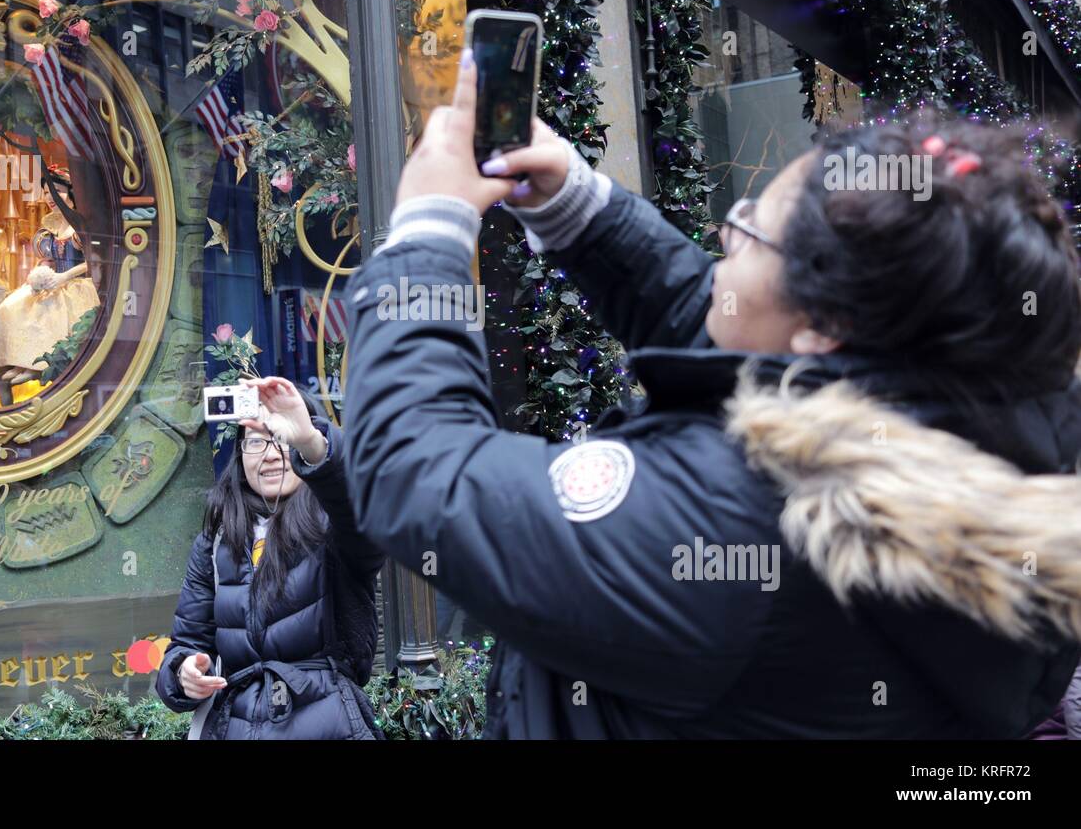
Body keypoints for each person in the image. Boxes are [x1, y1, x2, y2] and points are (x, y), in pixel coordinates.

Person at [339, 48, 1081, 738]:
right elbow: (742, 336)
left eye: (753, 228)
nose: (728, 235)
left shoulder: (740, 532)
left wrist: (426, 234)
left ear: (827, 322)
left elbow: (419, 471)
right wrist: (579, 210)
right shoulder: (989, 429)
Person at [155, 377, 386, 739]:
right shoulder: (216, 539)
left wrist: (310, 440)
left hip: (327, 723)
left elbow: (361, 507)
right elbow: (187, 641)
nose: (270, 455)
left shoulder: (336, 522)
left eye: (280, 439)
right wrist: (183, 671)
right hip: (236, 725)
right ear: (240, 456)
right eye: (256, 443)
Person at [0, 164, 100, 396]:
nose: (50, 197)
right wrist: (41, 270)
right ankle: (23, 361)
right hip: (54, 282)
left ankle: (40, 365)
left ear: (72, 192)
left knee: (50, 313)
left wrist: (63, 276)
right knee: (15, 305)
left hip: (77, 286)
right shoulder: (52, 226)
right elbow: (53, 258)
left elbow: (93, 262)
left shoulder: (81, 224)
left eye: (57, 191)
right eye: (46, 192)